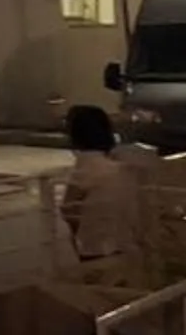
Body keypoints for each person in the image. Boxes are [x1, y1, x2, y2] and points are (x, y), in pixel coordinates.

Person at [61, 106, 138, 270]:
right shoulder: (121, 165)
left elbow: (68, 208)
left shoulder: (86, 166)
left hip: (95, 245)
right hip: (124, 241)